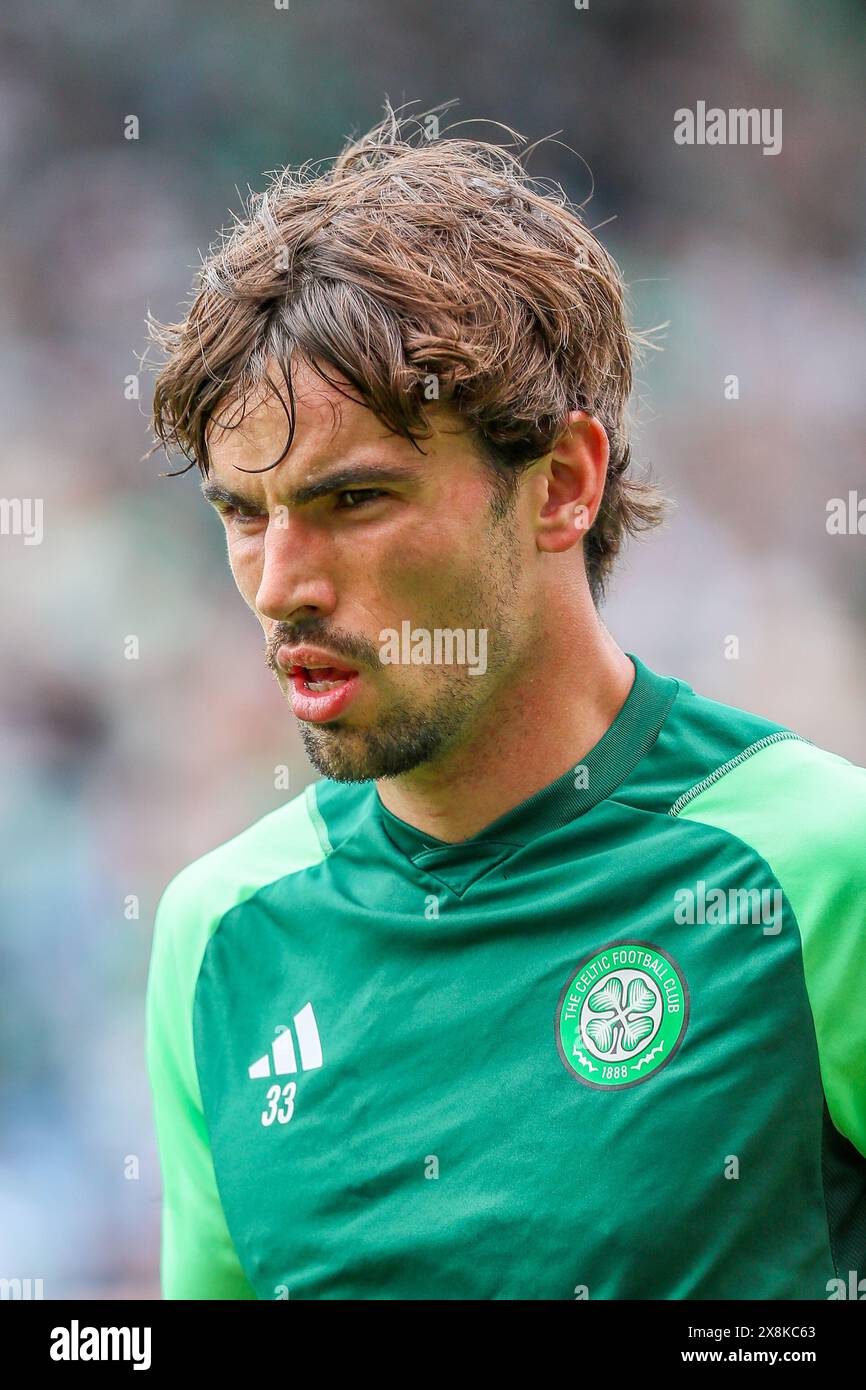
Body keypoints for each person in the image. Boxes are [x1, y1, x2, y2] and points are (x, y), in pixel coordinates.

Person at [144, 106, 866, 1299]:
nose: (280, 586)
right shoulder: (219, 935)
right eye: (242, 513)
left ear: (561, 486)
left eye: (355, 499)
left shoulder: (818, 868)